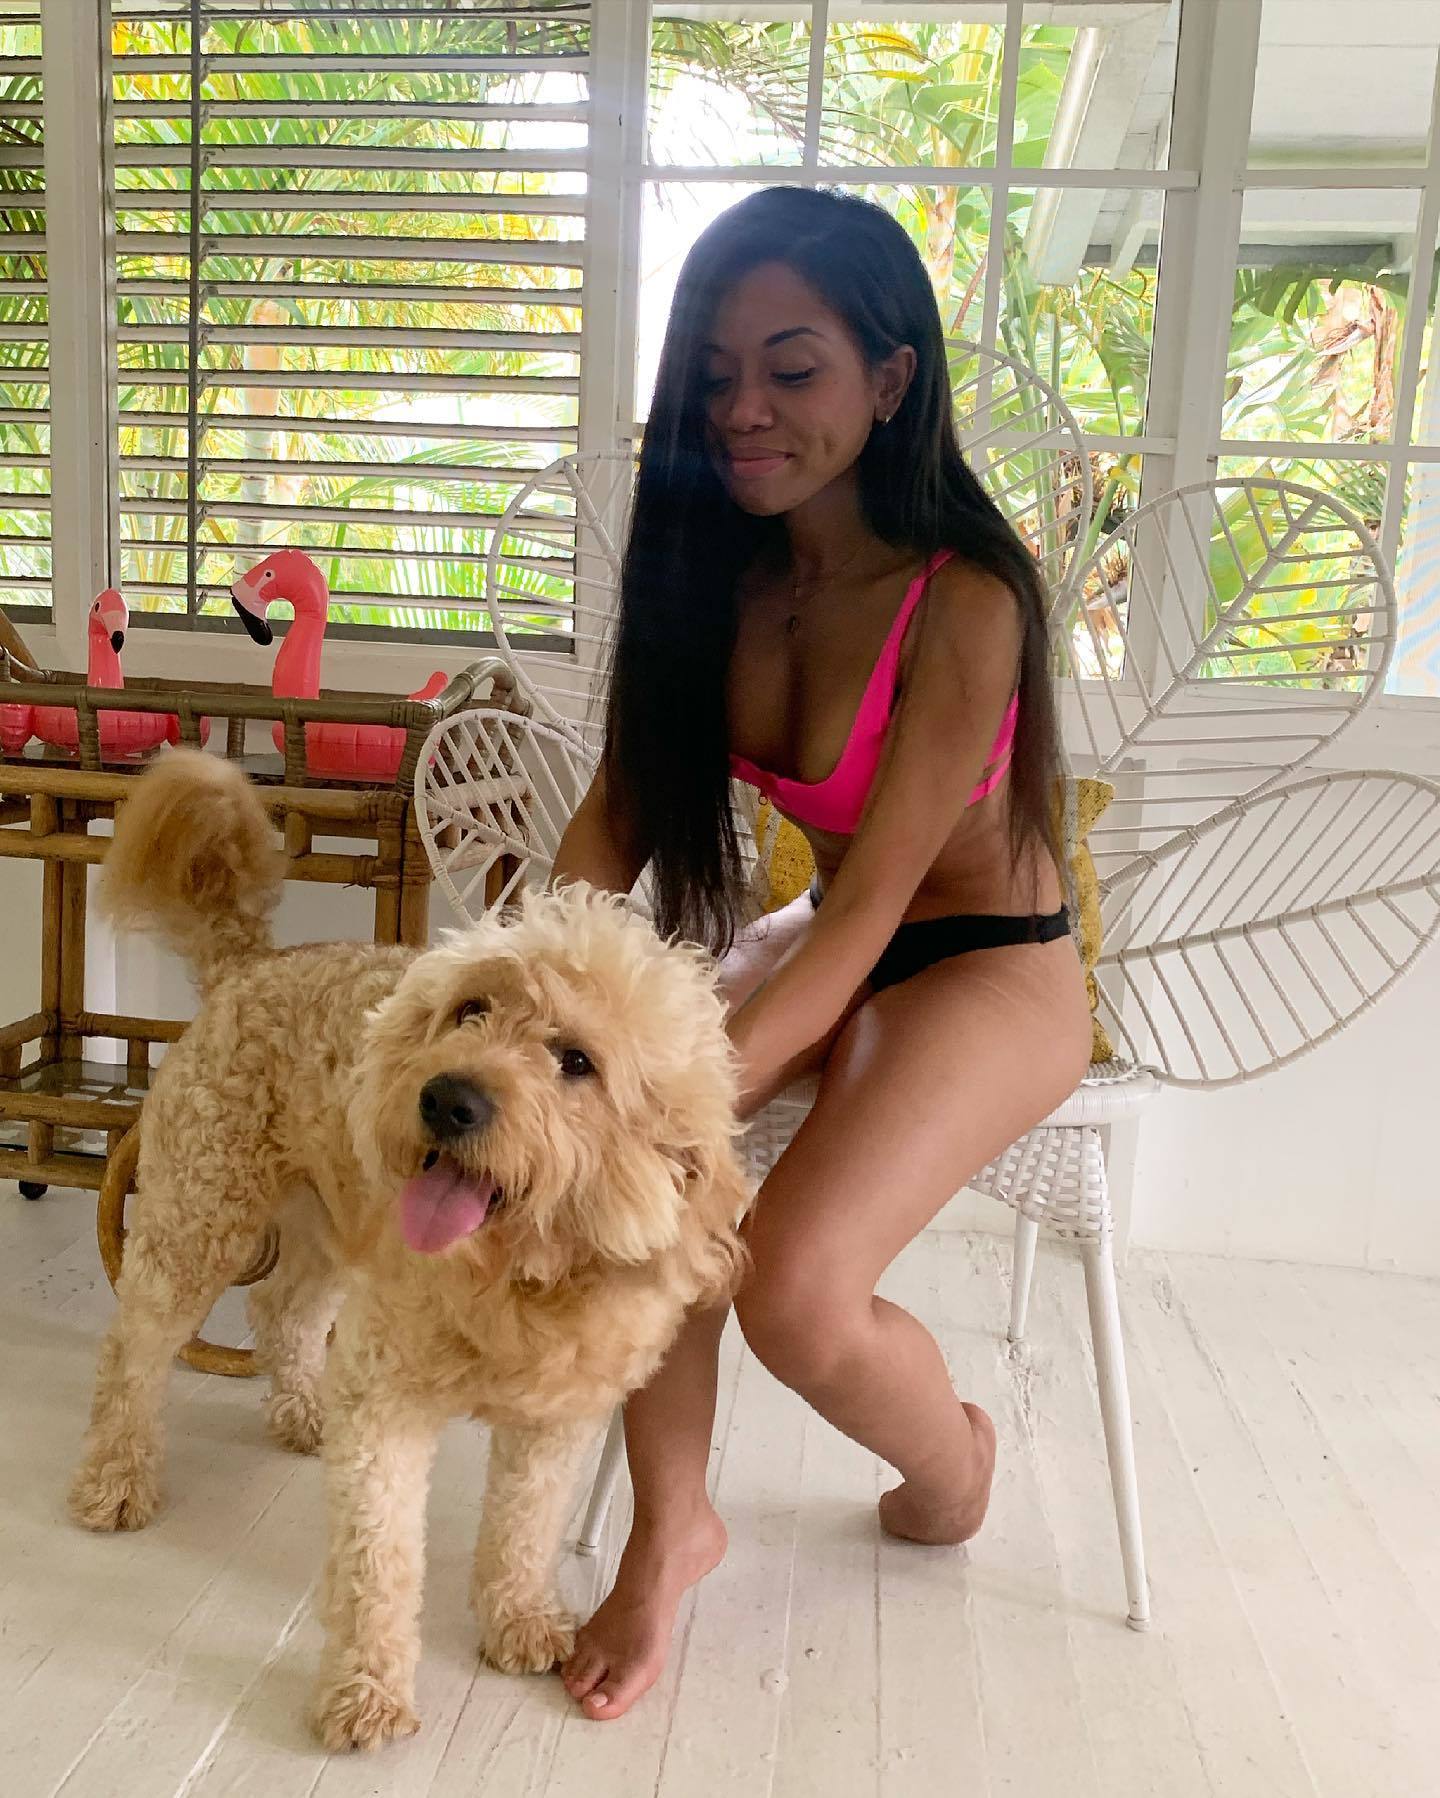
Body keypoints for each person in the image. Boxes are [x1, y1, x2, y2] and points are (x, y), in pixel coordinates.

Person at [551, 186, 1091, 1720]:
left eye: (792, 369)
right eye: (718, 372)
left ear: (891, 379)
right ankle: (671, 1530)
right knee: (654, 1194)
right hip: (826, 930)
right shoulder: (722, 576)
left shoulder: (966, 597)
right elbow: (619, 816)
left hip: (988, 958)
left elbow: (872, 914)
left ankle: (958, 1462)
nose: (744, 409)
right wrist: (512, 999)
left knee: (792, 1287)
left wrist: (673, 1092)